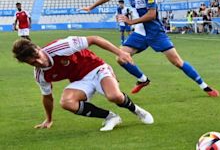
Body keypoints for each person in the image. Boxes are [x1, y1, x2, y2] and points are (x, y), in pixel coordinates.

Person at [82, 0, 219, 97]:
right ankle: (143, 80)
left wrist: (131, 21)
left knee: (177, 61)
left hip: (155, 32)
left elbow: (151, 14)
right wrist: (92, 7)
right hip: (140, 32)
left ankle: (205, 86)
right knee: (121, 57)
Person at [12, 36, 154, 131]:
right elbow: (47, 96)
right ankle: (111, 117)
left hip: (96, 68)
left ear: (38, 48)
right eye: (33, 62)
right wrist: (48, 119)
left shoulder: (61, 46)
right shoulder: (40, 75)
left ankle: (137, 110)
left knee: (114, 96)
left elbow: (94, 39)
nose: (40, 62)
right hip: (80, 81)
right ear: (26, 63)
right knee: (66, 102)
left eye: (38, 56)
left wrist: (120, 53)